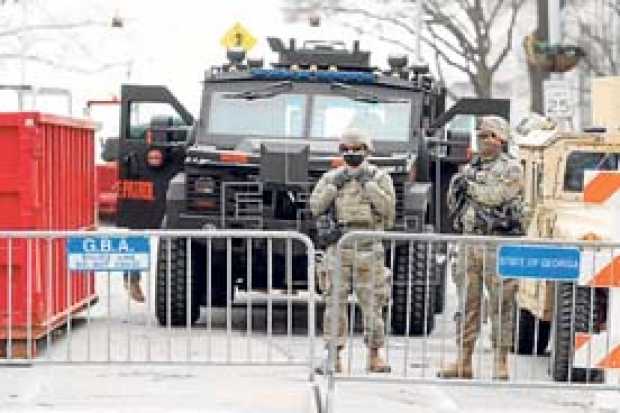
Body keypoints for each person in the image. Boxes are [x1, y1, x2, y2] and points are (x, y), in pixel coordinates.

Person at [439, 116, 524, 381]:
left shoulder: (511, 168)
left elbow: (496, 197)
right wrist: (459, 186)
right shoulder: (470, 167)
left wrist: (469, 185)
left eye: (489, 135)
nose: (482, 140)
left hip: (497, 244)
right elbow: (454, 202)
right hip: (469, 242)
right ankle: (463, 361)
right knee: (467, 305)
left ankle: (501, 362)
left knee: (501, 304)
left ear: (501, 139)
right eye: (480, 135)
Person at [310, 128, 395, 373]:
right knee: (334, 303)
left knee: (373, 304)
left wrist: (368, 186)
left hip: (369, 246)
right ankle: (333, 356)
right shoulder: (331, 178)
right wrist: (333, 187)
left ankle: (374, 355)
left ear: (367, 151)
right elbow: (315, 207)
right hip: (339, 247)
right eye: (346, 149)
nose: (351, 153)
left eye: (356, 148)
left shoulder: (380, 178)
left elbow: (388, 210)